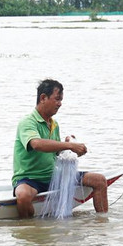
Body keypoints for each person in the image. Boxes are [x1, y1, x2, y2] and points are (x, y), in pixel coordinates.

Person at [12, 78, 109, 218]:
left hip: (54, 176)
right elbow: (37, 144)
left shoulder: (54, 124)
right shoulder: (27, 122)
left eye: (61, 100)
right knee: (23, 196)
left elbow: (55, 152)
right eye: (57, 99)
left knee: (99, 180)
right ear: (43, 98)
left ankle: (102, 224)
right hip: (30, 179)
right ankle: (30, 227)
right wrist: (69, 145)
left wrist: (70, 149)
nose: (60, 104)